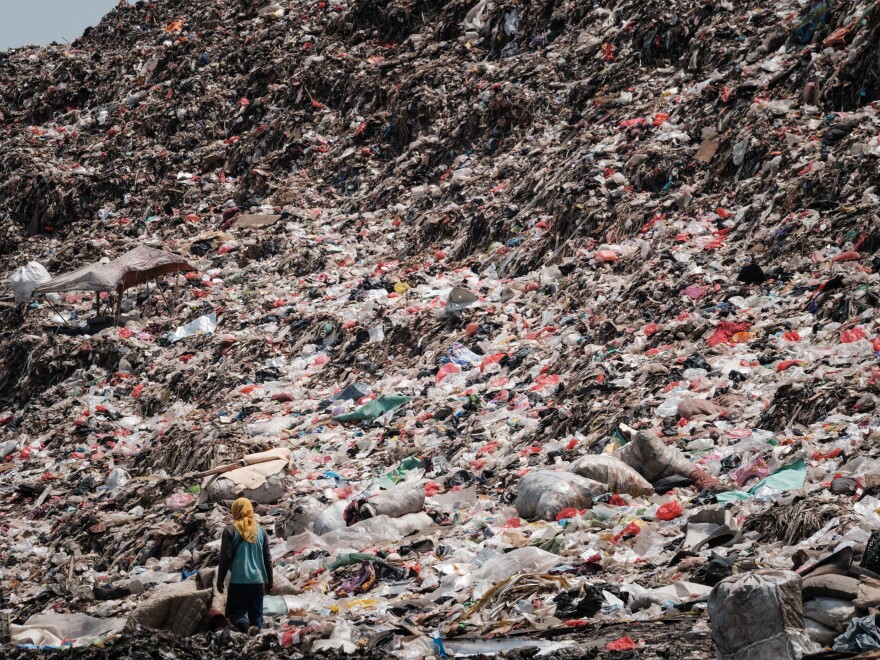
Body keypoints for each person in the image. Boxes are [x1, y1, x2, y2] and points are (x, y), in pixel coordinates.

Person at [216, 498, 273, 634]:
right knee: (256, 616)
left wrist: (220, 579)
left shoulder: (230, 531)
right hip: (258, 581)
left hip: (239, 580)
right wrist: (269, 580)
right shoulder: (261, 531)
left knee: (234, 614)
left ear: (235, 511)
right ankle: (257, 643)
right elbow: (268, 558)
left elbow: (226, 557)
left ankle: (247, 629)